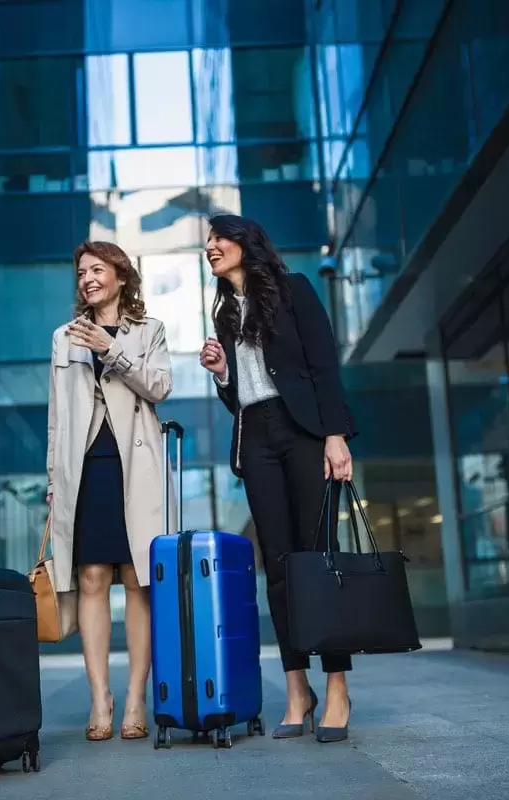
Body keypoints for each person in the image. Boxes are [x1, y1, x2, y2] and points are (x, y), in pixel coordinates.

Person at [198, 214, 358, 744]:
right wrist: (223, 372)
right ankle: (297, 688)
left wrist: (335, 434)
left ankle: (336, 686)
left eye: (219, 238)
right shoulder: (225, 312)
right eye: (207, 242)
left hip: (304, 430)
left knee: (320, 557)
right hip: (256, 435)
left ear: (247, 243)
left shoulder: (295, 290)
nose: (211, 247)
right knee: (280, 564)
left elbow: (324, 365)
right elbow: (237, 397)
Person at [45, 241, 174, 742]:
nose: (88, 279)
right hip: (86, 467)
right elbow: (57, 418)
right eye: (82, 272)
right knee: (92, 576)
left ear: (121, 277)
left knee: (139, 579)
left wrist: (110, 349)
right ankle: (100, 697)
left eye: (97, 269)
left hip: (136, 466)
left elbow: (159, 388)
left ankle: (137, 697)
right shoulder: (63, 338)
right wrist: (53, 481)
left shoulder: (149, 330)